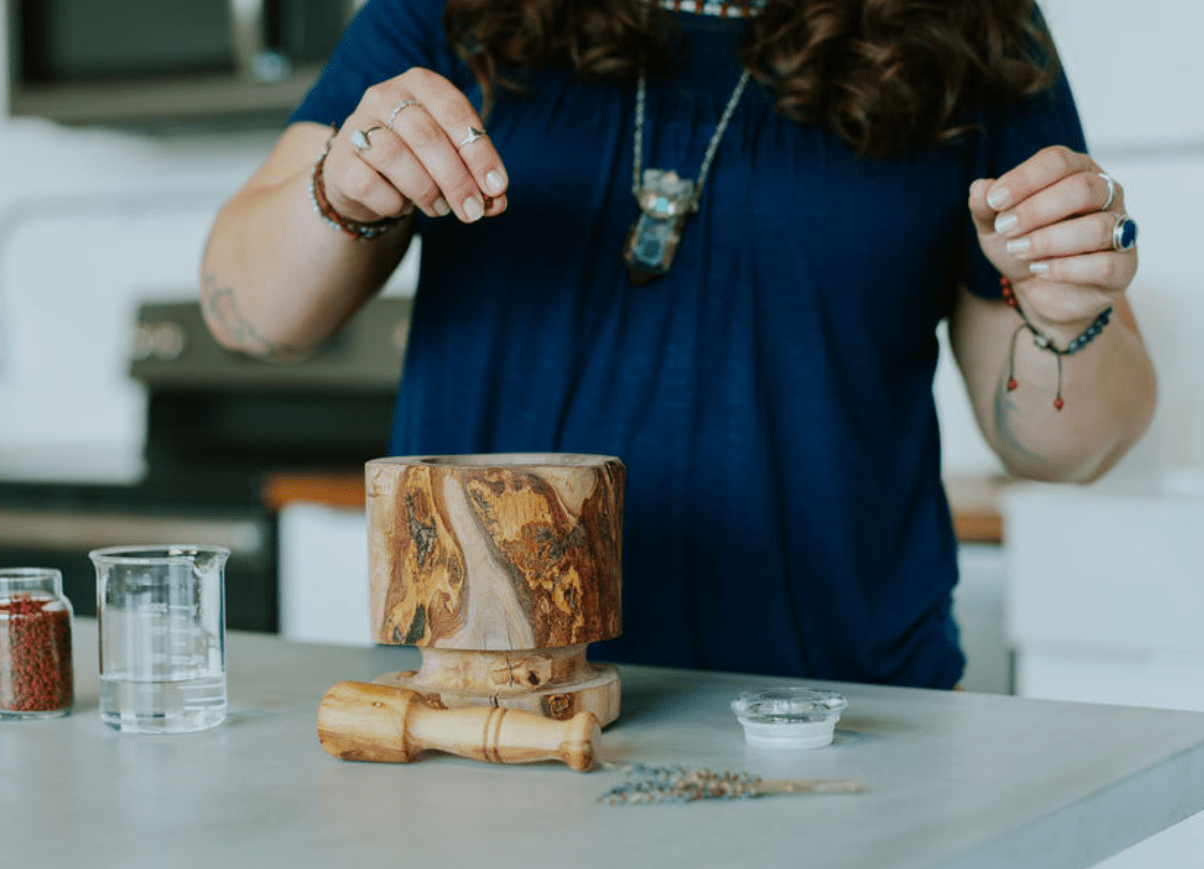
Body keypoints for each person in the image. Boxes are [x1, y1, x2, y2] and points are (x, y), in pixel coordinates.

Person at [198, 0, 1156, 689]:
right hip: (488, 705)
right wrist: (344, 188)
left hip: (840, 717)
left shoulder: (976, 28)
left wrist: (1065, 317)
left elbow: (1067, 445)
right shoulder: (444, 13)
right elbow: (251, 311)